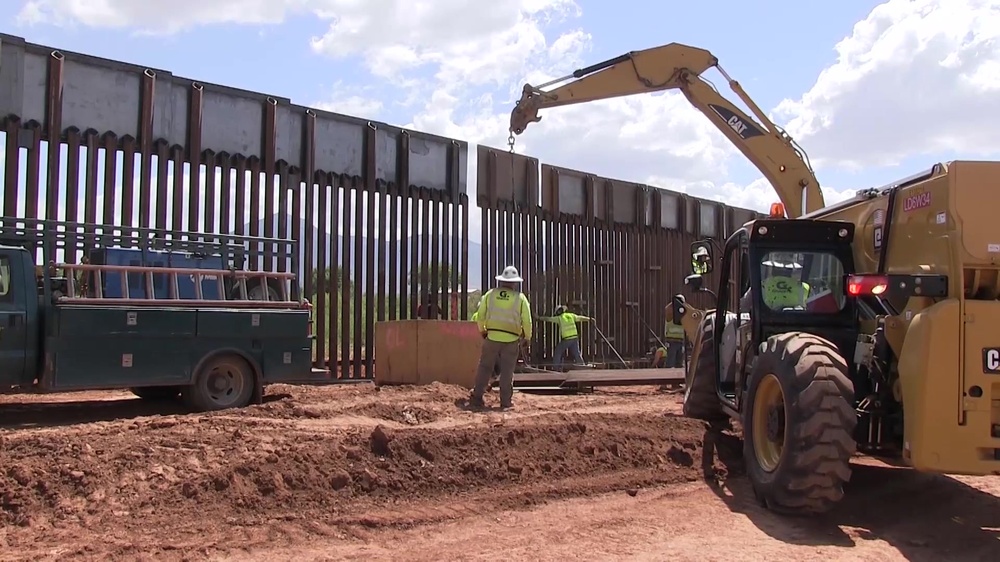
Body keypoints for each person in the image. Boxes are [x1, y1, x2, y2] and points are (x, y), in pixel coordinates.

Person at [469, 265, 532, 410]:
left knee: (485, 367)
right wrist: (527, 337)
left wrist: (483, 331)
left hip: (491, 336)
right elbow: (527, 321)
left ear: (501, 281)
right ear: (515, 283)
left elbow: (480, 315)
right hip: (511, 340)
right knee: (507, 371)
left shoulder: (490, 295)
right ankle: (505, 402)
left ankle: (477, 397)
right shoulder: (520, 298)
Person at [537, 305, 593, 371]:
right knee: (577, 353)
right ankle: (582, 367)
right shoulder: (571, 315)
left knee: (558, 351)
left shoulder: (559, 318)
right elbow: (580, 318)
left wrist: (539, 317)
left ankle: (555, 367)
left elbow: (548, 319)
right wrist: (589, 319)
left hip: (567, 339)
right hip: (574, 338)